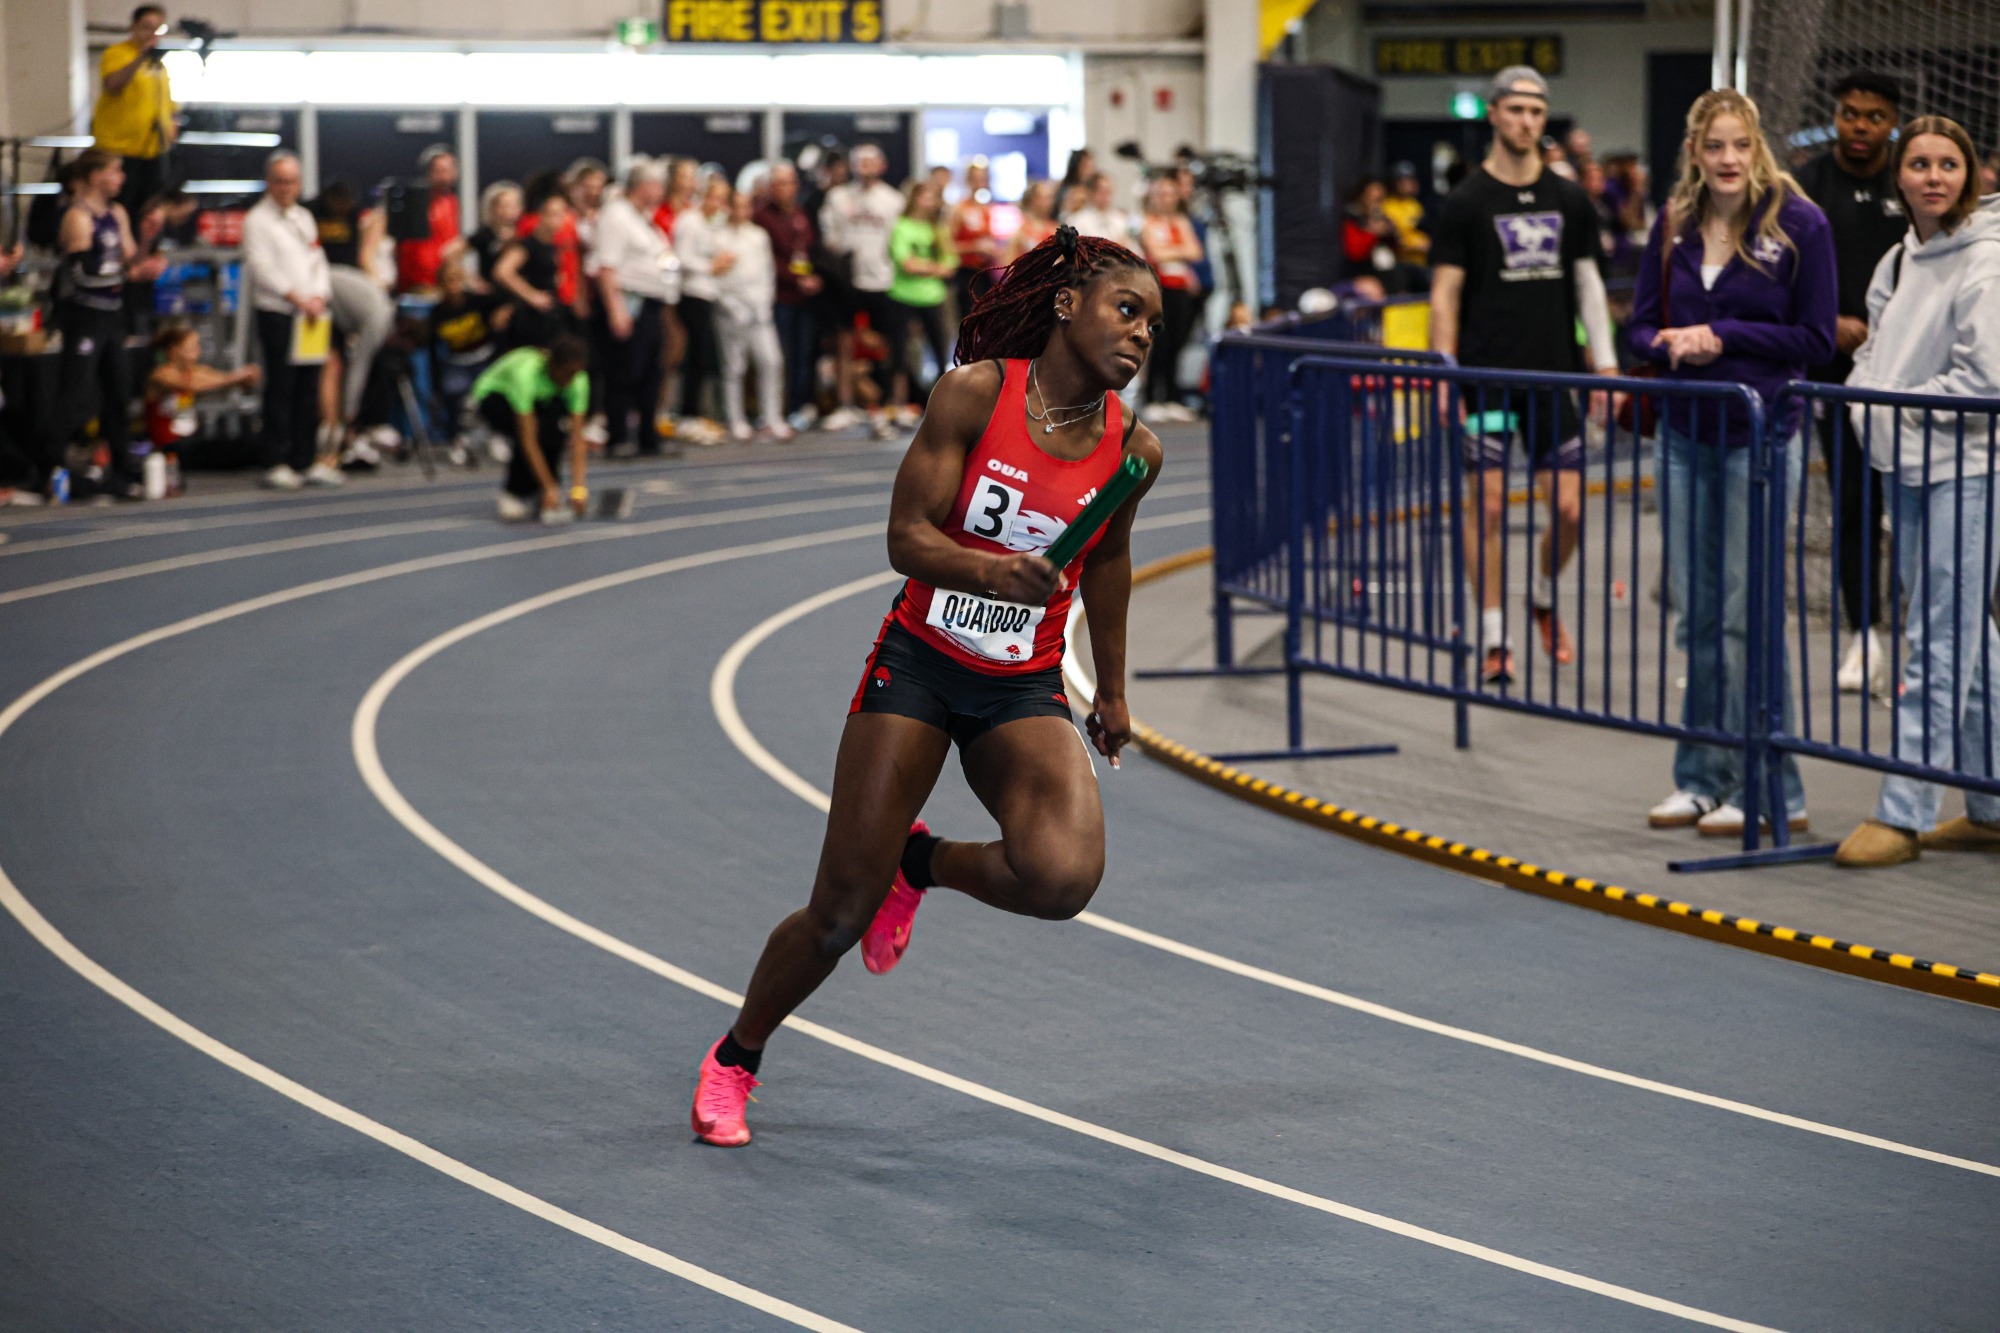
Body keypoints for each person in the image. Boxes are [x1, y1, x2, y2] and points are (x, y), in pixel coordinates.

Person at [689, 224, 1165, 1148]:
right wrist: (992, 571)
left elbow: (1109, 563)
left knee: (1062, 876)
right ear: (1067, 305)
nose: (1143, 333)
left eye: (1154, 323)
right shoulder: (976, 394)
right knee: (838, 914)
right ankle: (737, 1054)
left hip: (1021, 684)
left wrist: (1111, 690)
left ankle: (925, 864)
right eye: (1127, 309)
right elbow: (905, 537)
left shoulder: (1134, 449)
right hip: (919, 661)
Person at [1627, 88, 1835, 838]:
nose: (1727, 159)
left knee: (1751, 617)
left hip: (1762, 437)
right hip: (1685, 437)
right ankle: (1700, 777)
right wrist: (1668, 344)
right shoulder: (1674, 224)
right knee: (1699, 616)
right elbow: (1637, 327)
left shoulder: (1801, 223)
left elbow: (1816, 338)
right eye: (1714, 146)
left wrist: (1724, 335)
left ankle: (1773, 786)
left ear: (1757, 147)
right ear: (1694, 151)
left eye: (1740, 145)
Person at [1833, 117, 2000, 867]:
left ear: (1970, 175)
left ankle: (1903, 811)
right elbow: (1872, 350)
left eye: (1948, 164)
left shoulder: (1987, 260)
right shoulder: (1899, 258)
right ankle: (1993, 803)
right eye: (1920, 164)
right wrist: (1869, 406)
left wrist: (1897, 405)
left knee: (1938, 640)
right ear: (1898, 175)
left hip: (1969, 472)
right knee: (1968, 638)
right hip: (1903, 468)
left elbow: (1985, 379)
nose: (1934, 177)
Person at [1429, 66, 1620, 685]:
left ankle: (1540, 597)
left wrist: (1606, 362)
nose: (1527, 122)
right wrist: (1444, 373)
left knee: (1568, 511)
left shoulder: (1570, 199)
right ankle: (1493, 636)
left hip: (1554, 378)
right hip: (1486, 378)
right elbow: (1444, 294)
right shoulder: (1466, 201)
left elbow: (1589, 285)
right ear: (1494, 114)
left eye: (1537, 112)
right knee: (1486, 506)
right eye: (1516, 110)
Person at [1795, 71, 1907, 695]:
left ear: (1891, 123)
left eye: (1874, 116)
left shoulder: (1910, 182)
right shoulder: (1807, 186)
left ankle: (1925, 641)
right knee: (1855, 504)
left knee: (1913, 507)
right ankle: (1863, 636)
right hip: (1836, 378)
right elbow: (1784, 270)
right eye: (1849, 113)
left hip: (1911, 377)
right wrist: (1826, 322)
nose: (1859, 126)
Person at [50, 150, 167, 501]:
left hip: (113, 315)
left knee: (119, 391)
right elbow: (83, 275)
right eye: (115, 171)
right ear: (95, 176)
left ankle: (120, 470)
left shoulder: (117, 214)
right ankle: (56, 465)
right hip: (84, 315)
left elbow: (131, 260)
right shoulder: (78, 216)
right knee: (77, 393)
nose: (121, 178)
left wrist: (146, 241)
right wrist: (128, 274)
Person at [243, 150, 339, 491]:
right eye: (280, 181)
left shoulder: (303, 217)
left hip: (311, 317)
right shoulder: (257, 221)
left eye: (292, 181)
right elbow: (262, 268)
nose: (286, 188)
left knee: (308, 388)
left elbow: (318, 259)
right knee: (281, 386)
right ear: (269, 183)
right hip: (278, 313)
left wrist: (319, 297)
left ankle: (305, 459)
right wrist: (297, 298)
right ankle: (275, 460)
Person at [818, 144, 906, 439]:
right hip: (847, 281)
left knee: (889, 346)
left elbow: (899, 239)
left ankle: (890, 406)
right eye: (860, 162)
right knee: (844, 343)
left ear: (882, 166)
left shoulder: (893, 200)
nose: (865, 167)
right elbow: (830, 237)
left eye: (871, 162)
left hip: (883, 281)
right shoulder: (837, 197)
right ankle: (845, 405)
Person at [593, 158, 677, 457]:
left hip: (651, 304)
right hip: (628, 301)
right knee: (624, 371)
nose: (662, 191)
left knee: (651, 372)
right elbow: (607, 266)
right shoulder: (617, 215)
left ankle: (647, 435)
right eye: (657, 184)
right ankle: (617, 437)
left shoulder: (645, 219)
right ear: (642, 186)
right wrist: (616, 309)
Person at [312, 180, 395, 469]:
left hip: (338, 301)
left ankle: (337, 437)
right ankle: (334, 437)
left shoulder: (378, 312)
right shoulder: (381, 318)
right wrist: (351, 412)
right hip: (315, 298)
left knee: (336, 365)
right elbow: (361, 365)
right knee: (331, 366)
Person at [472, 334, 591, 522]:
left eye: (575, 374)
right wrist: (549, 487)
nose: (571, 380)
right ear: (553, 366)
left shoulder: (578, 380)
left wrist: (578, 489)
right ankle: (513, 493)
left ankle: (542, 492)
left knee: (556, 432)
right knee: (532, 433)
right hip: (494, 395)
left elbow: (577, 439)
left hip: (541, 396)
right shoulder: (525, 376)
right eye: (567, 374)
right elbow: (528, 440)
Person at [708, 187, 788, 443]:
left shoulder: (758, 236)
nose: (742, 211)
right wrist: (730, 305)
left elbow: (767, 273)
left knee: (771, 361)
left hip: (759, 311)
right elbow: (714, 276)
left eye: (746, 206)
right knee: (734, 366)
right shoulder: (717, 236)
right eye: (737, 206)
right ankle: (735, 419)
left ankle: (772, 418)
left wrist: (764, 303)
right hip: (730, 311)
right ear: (729, 208)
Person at [754, 161, 825, 429]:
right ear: (770, 187)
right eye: (779, 183)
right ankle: (776, 411)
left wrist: (814, 276)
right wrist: (797, 279)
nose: (786, 188)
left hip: (805, 298)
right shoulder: (761, 216)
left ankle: (800, 407)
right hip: (779, 296)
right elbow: (767, 260)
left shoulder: (800, 213)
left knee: (804, 354)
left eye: (790, 183)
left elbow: (808, 250)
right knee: (780, 356)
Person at [92, 6, 177, 217]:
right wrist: (140, 56)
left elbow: (167, 105)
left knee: (147, 210)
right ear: (133, 27)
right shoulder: (117, 53)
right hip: (119, 150)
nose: (152, 33)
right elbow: (113, 84)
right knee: (121, 207)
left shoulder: (159, 65)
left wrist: (171, 126)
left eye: (158, 28)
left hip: (152, 151)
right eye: (146, 27)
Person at [145, 320, 258, 473]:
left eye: (197, 348)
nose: (196, 354)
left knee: (241, 445)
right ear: (174, 351)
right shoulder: (161, 375)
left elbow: (213, 377)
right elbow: (192, 385)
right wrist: (233, 379)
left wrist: (242, 379)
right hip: (168, 447)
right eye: (191, 349)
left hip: (189, 441)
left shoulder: (194, 371)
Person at [887, 177, 956, 423]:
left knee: (940, 353)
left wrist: (925, 267)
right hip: (902, 295)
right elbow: (905, 263)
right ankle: (898, 405)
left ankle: (940, 406)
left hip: (933, 297)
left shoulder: (938, 229)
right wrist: (933, 268)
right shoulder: (901, 226)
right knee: (899, 354)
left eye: (933, 197)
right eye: (925, 195)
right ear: (914, 198)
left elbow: (950, 264)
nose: (929, 201)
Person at [1137, 173, 1204, 422]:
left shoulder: (1181, 221)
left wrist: (1172, 252)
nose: (1166, 199)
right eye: (1161, 194)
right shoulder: (1147, 222)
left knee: (1178, 341)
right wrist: (1178, 252)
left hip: (1180, 288)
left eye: (1170, 194)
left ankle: (1172, 396)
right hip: (1160, 286)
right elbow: (1156, 253)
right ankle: (1153, 397)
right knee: (1160, 342)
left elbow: (1196, 252)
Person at [673, 172, 734, 444]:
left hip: (706, 295)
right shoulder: (690, 220)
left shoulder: (709, 225)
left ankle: (694, 412)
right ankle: (687, 415)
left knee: (702, 357)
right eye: (716, 198)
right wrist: (712, 266)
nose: (719, 204)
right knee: (696, 356)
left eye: (723, 199)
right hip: (691, 295)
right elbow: (682, 258)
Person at [427, 254, 503, 444]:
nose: (453, 286)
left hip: (484, 357)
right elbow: (432, 351)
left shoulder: (478, 301)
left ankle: (495, 433)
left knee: (491, 393)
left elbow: (503, 302)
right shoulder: (438, 312)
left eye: (457, 279)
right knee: (452, 391)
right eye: (448, 281)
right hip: (457, 362)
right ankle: (456, 437)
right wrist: (436, 387)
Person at [491, 179, 569, 351]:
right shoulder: (529, 244)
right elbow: (502, 271)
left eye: (562, 214)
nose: (560, 219)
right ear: (542, 215)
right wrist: (531, 295)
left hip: (551, 313)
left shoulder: (554, 244)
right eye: (554, 214)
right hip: (533, 319)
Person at [394, 145, 464, 293]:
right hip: (420, 282)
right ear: (427, 172)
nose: (445, 177)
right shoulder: (414, 202)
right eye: (439, 171)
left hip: (446, 280)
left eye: (449, 170)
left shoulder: (452, 202)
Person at [947, 158, 999, 315]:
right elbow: (947, 246)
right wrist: (975, 247)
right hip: (966, 273)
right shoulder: (959, 209)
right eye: (975, 179)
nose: (980, 183)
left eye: (983, 179)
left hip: (985, 271)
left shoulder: (987, 209)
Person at [469, 182, 523, 287]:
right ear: (492, 208)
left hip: (518, 292)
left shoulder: (524, 235)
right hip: (491, 292)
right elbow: (451, 253)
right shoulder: (485, 235)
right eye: (505, 205)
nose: (511, 210)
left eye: (515, 205)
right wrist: (470, 279)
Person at [1381, 163, 1431, 270]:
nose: (1407, 184)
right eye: (1402, 181)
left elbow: (1422, 230)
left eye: (1410, 180)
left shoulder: (1415, 205)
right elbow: (1394, 238)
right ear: (1394, 183)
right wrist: (1415, 246)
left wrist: (1427, 243)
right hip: (1399, 264)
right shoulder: (1387, 206)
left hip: (1420, 262)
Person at [1066, 173, 1132, 244]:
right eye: (1102, 191)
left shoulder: (1119, 219)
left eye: (1109, 191)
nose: (1106, 196)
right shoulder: (1079, 220)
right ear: (1091, 193)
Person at [1007, 179, 1060, 263]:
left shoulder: (1056, 228)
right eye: (1045, 197)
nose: (1050, 202)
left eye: (1051, 197)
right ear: (1032, 199)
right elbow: (1008, 260)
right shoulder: (1020, 230)